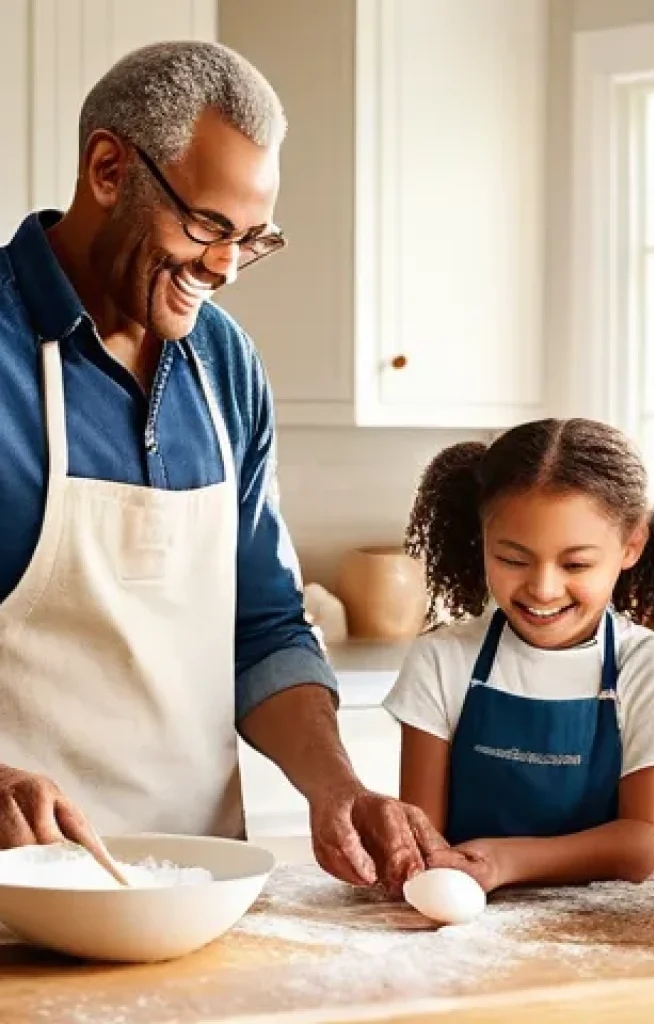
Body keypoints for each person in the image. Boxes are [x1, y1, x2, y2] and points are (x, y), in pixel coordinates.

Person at [0, 40, 443, 893]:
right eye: (206, 226)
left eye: (252, 238)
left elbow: (265, 626)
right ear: (106, 168)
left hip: (193, 893)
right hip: (14, 908)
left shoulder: (226, 365)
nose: (226, 267)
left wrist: (335, 785)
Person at [383, 418, 654, 893]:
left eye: (576, 564)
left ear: (632, 545)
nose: (543, 588)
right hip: (465, 922)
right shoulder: (441, 660)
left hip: (603, 930)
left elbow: (642, 846)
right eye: (513, 559)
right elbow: (423, 833)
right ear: (482, 539)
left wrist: (505, 861)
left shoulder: (650, 667)